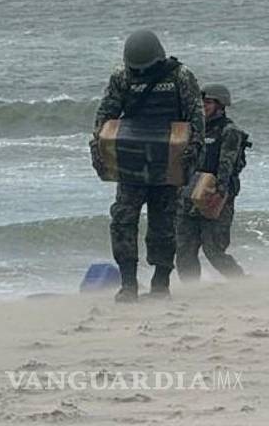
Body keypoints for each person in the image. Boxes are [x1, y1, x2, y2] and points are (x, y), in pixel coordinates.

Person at [93, 30, 204, 302]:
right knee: (122, 219)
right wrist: (98, 149)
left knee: (164, 224)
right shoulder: (122, 77)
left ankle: (161, 282)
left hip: (169, 161)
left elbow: (196, 116)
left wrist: (193, 151)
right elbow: (106, 116)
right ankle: (128, 283)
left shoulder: (180, 76)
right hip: (131, 162)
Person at [176, 84, 250, 281]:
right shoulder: (194, 130)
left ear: (221, 105)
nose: (203, 106)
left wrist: (219, 193)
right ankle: (191, 290)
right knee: (184, 250)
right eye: (201, 103)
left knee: (214, 251)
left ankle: (241, 284)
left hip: (215, 195)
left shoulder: (229, 131)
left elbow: (227, 164)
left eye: (208, 103)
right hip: (189, 194)